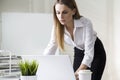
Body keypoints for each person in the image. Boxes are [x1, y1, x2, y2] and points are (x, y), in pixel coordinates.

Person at [43, 0, 106, 80]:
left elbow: (89, 54)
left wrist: (78, 71)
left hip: (96, 51)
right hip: (79, 51)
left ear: (73, 11)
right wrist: (40, 65)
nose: (60, 17)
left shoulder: (86, 23)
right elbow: (50, 48)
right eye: (58, 13)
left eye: (64, 12)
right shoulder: (57, 28)